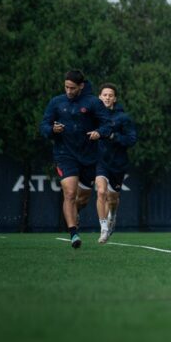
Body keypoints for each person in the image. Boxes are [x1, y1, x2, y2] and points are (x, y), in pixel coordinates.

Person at [40, 70, 112, 249]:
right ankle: (74, 233)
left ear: (81, 86)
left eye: (72, 88)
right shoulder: (56, 102)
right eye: (66, 87)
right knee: (70, 193)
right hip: (65, 154)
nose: (69, 91)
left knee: (83, 198)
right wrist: (52, 130)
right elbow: (44, 125)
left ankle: (75, 212)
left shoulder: (93, 103)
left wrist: (99, 133)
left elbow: (107, 124)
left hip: (88, 156)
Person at [95, 83, 137, 244]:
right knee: (101, 192)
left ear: (115, 99)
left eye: (110, 95)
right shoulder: (94, 117)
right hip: (100, 161)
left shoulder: (123, 118)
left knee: (112, 199)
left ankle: (113, 215)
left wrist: (114, 137)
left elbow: (132, 139)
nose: (107, 97)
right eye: (104, 95)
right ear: (100, 97)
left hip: (117, 163)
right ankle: (103, 229)